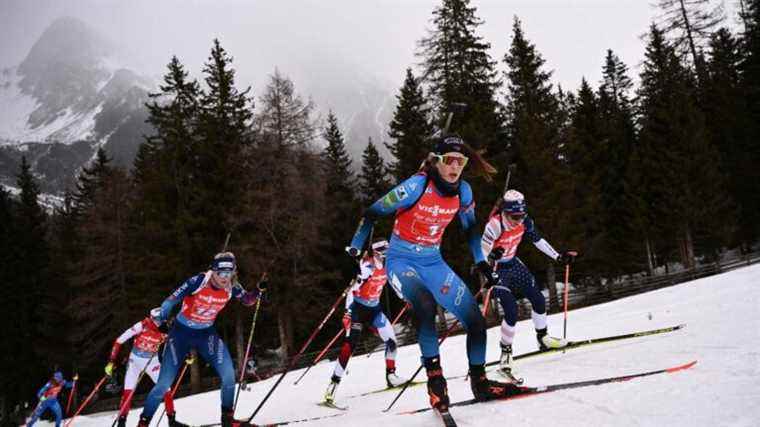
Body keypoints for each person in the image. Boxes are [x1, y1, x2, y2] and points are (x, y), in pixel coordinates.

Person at [346, 134, 519, 413]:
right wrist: (355, 250)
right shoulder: (416, 186)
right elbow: (372, 212)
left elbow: (471, 229)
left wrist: (482, 263)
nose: (455, 167)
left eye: (460, 161)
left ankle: (480, 381)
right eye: (449, 160)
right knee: (424, 306)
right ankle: (436, 383)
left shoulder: (464, 191)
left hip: (433, 262)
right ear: (436, 161)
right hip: (401, 262)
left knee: (475, 320)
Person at [136, 252, 263, 427]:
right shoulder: (197, 281)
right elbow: (168, 302)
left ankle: (227, 419)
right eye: (221, 273)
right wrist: (163, 322)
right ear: (213, 271)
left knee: (228, 374)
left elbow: (247, 300)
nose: (225, 278)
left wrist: (258, 290)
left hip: (206, 334)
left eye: (229, 273)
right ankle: (143, 423)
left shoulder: (233, 287)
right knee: (164, 384)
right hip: (180, 334)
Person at [481, 189, 577, 381]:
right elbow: (481, 252)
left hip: (514, 264)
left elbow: (537, 240)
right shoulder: (494, 225)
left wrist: (558, 256)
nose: (519, 220)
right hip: (498, 269)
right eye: (515, 216)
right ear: (505, 212)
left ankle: (543, 338)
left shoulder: (525, 221)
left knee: (538, 299)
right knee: (510, 310)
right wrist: (491, 256)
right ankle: (506, 353)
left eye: (522, 215)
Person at [323, 239, 407, 405]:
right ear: (377, 253)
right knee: (349, 346)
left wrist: (406, 297)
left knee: (392, 342)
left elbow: (395, 284)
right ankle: (333, 384)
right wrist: (347, 312)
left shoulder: (388, 266)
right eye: (385, 252)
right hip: (358, 311)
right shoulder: (367, 267)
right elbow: (352, 290)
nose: (388, 254)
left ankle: (391, 375)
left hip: (374, 310)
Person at [105, 308, 182, 427]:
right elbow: (119, 341)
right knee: (128, 392)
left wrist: (186, 355)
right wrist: (111, 361)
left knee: (166, 388)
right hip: (135, 361)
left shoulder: (166, 328)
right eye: (158, 320)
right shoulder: (141, 326)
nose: (161, 323)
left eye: (163, 320)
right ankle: (121, 422)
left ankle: (172, 420)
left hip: (152, 362)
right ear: (152, 318)